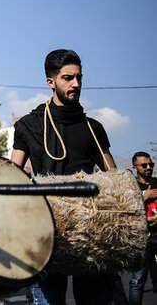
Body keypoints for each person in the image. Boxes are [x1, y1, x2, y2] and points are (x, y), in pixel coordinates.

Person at [10, 49, 117, 305]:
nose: (76, 84)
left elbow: (114, 178)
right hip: (46, 231)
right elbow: (12, 175)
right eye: (68, 78)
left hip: (89, 233)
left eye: (79, 77)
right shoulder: (28, 126)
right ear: (51, 82)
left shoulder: (93, 128)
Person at [129, 151, 157, 305]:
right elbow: (127, 210)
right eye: (144, 165)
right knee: (137, 281)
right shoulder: (131, 187)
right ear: (135, 168)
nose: (148, 167)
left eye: (150, 164)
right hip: (141, 240)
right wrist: (144, 198)